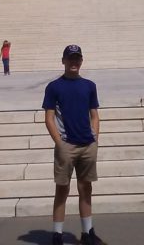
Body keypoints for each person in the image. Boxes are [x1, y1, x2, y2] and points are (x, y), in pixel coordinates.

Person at [42, 45, 105, 245]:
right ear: (63, 61)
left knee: (86, 188)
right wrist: (59, 143)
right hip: (66, 145)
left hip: (87, 144)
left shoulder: (89, 85)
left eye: (77, 59)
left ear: (81, 61)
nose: (74, 63)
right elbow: (49, 117)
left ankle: (88, 233)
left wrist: (95, 137)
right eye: (70, 59)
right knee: (62, 189)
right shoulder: (54, 87)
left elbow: (94, 114)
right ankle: (57, 235)